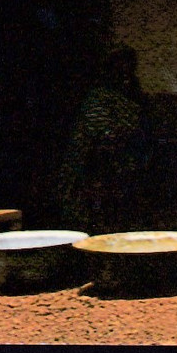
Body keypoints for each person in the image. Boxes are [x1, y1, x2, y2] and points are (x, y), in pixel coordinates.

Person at [55, 46, 152, 234]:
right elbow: (99, 135)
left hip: (123, 160)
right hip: (95, 164)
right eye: (121, 66)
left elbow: (139, 125)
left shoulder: (131, 92)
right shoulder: (99, 96)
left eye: (129, 66)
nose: (126, 71)